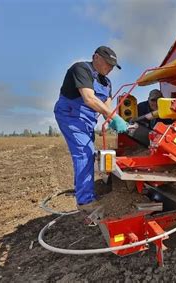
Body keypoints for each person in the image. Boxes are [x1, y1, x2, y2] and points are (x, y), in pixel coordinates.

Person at [54, 46, 128, 212]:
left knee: (90, 153)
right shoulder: (81, 69)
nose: (109, 69)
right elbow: (89, 99)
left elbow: (107, 108)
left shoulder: (107, 82)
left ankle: (87, 189)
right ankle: (85, 202)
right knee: (84, 153)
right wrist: (114, 117)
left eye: (112, 66)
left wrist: (115, 122)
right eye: (107, 64)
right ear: (96, 57)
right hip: (71, 115)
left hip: (88, 121)